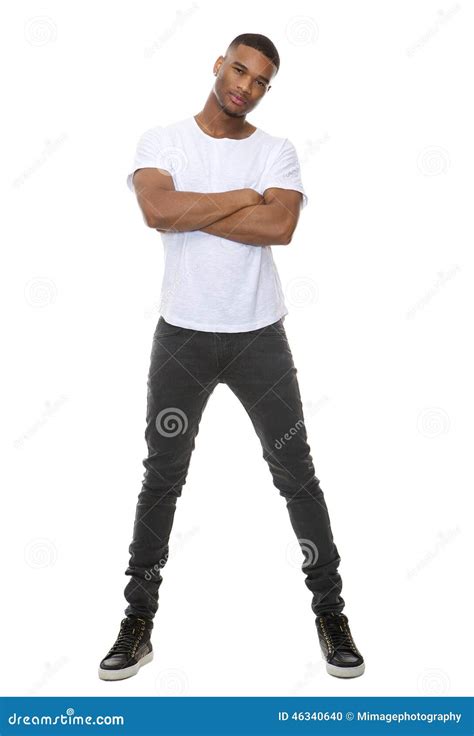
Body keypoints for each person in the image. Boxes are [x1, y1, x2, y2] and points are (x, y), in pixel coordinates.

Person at [98, 33, 365, 682]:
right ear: (218, 65)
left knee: (296, 472)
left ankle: (331, 615)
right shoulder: (162, 141)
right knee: (162, 476)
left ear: (266, 91)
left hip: (258, 338)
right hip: (182, 338)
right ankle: (138, 622)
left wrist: (195, 211)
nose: (246, 85)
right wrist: (245, 196)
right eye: (239, 69)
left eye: (261, 80)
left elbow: (281, 228)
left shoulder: (277, 151)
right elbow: (158, 210)